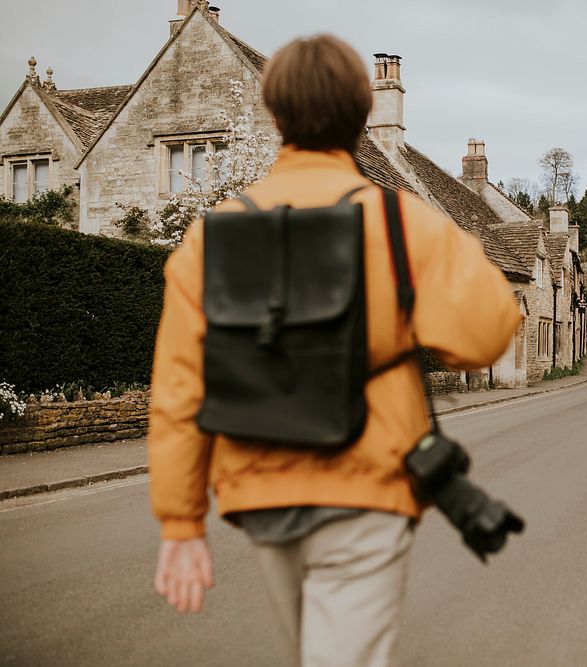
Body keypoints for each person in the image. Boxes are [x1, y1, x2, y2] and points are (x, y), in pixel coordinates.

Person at [147, 34, 521, 667]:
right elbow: (487, 332)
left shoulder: (209, 240)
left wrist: (181, 523)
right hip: (367, 488)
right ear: (363, 116)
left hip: (261, 495)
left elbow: (180, 390)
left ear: (272, 116)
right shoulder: (405, 225)